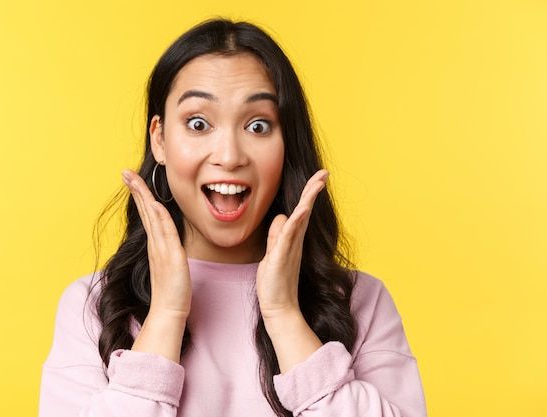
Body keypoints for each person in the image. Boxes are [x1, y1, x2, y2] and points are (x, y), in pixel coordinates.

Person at [38, 17, 427, 417]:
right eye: (198, 123)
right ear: (160, 139)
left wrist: (284, 314)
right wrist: (167, 315)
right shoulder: (93, 307)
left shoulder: (362, 302)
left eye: (258, 125)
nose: (229, 155)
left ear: (286, 144)